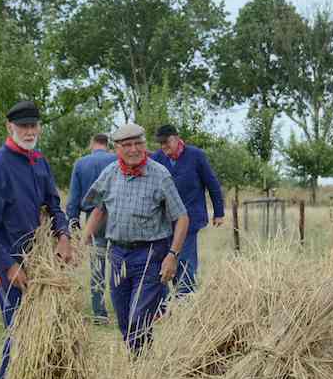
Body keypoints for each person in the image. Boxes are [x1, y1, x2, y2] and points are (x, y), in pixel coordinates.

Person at [0, 100, 73, 379]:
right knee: (20, 337)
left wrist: (64, 236)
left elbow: (54, 205)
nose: (29, 131)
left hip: (41, 263)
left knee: (49, 338)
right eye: (23, 127)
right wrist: (10, 267)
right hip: (13, 266)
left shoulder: (37, 161)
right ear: (9, 128)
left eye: (33, 126)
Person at [81, 123, 189, 354]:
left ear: (145, 145)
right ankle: (142, 364)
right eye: (127, 145)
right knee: (123, 319)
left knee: (138, 316)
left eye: (138, 143)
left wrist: (172, 255)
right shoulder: (110, 172)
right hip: (118, 255)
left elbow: (181, 218)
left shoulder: (160, 174)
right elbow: (100, 208)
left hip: (150, 254)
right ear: (117, 148)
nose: (134, 149)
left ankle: (140, 370)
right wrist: (83, 241)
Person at [149, 124, 225, 296]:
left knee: (184, 260)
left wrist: (218, 212)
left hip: (190, 218)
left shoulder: (196, 156)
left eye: (166, 142)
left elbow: (212, 184)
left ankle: (185, 302)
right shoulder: (157, 158)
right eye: (160, 143)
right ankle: (163, 303)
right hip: (164, 220)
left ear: (176, 138)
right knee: (165, 259)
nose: (164, 147)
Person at [66, 133, 116, 323]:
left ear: (91, 143)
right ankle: (123, 305)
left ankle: (99, 312)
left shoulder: (81, 163)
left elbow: (74, 196)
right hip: (117, 215)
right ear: (107, 144)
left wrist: (74, 221)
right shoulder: (116, 159)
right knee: (120, 261)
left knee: (97, 266)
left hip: (92, 220)